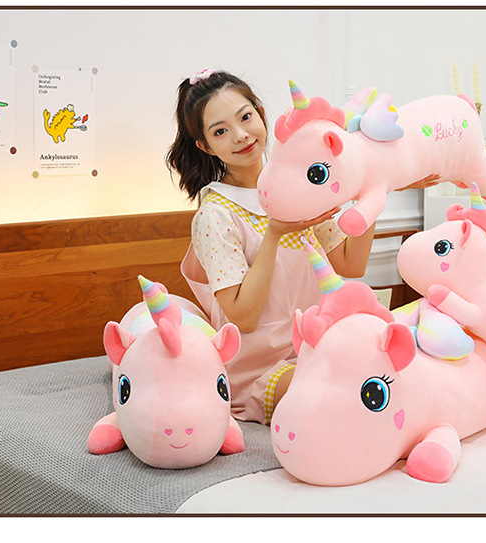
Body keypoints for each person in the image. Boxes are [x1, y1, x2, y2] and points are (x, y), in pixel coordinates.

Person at [167, 69, 437, 425]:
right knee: (347, 389)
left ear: (261, 113)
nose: (241, 135)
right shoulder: (215, 214)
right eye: (220, 131)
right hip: (260, 370)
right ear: (205, 146)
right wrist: (274, 234)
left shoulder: (300, 184)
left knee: (406, 364)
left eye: (245, 117)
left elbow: (350, 264)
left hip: (320, 342)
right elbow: (243, 317)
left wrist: (374, 186)